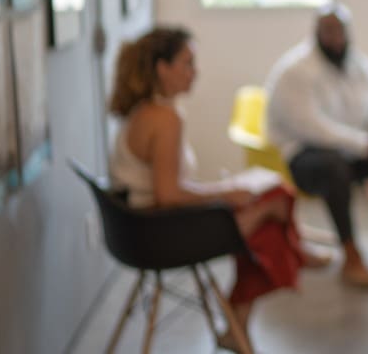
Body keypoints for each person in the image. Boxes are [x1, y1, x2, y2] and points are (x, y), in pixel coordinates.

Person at [108, 26, 323, 354]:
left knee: (270, 200)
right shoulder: (165, 119)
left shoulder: (144, 112)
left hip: (140, 230)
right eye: (188, 63)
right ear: (162, 69)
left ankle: (246, 310)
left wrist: (225, 190)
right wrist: (224, 192)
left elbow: (165, 189)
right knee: (275, 204)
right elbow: (168, 195)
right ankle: (290, 257)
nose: (195, 72)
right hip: (159, 235)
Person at [265, 3, 368, 288]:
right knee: (333, 169)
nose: (336, 39)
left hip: (356, 149)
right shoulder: (295, 71)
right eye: (329, 31)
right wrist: (365, 144)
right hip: (306, 154)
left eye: (341, 31)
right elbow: (311, 126)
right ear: (317, 32)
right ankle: (351, 253)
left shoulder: (360, 64)